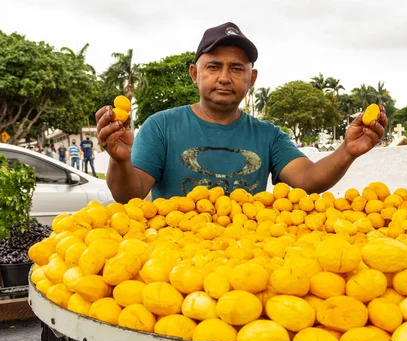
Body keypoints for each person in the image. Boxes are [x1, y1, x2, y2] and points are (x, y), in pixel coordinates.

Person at [95, 22, 387, 204]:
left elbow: (308, 180)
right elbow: (128, 196)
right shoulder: (162, 126)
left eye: (236, 68)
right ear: (195, 74)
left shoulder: (268, 134)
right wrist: (119, 161)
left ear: (252, 78)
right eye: (213, 66)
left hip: (246, 265)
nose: (224, 77)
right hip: (174, 268)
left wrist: (347, 151)